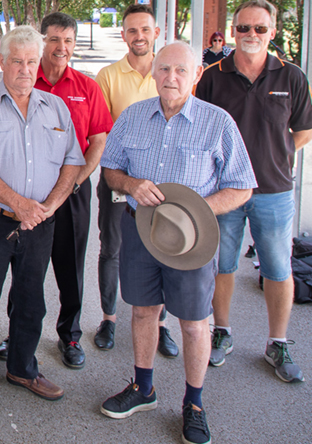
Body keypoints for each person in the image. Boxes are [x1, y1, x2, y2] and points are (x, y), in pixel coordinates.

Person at [99, 41, 256, 444]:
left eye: (181, 71)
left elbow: (241, 186)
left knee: (193, 323)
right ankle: (143, 387)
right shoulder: (133, 117)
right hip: (141, 230)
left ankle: (194, 402)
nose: (171, 78)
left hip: (193, 238)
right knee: (143, 311)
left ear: (197, 75)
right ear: (154, 72)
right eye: (165, 69)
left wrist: (197, 208)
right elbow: (111, 170)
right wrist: (131, 183)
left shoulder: (218, 122)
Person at [0, 26, 84, 417]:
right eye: (17, 61)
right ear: (2, 62)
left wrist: (48, 206)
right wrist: (20, 204)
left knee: (31, 301)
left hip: (41, 223)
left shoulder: (56, 107)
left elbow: (72, 162)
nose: (25, 69)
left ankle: (23, 369)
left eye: (32, 62)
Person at [196, 0, 312, 382]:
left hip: (274, 191)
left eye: (260, 29)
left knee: (279, 269)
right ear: (233, 31)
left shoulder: (291, 76)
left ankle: (277, 342)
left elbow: (304, 130)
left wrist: (275, 155)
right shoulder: (212, 76)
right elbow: (199, 131)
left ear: (272, 33)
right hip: (225, 192)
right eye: (244, 27)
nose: (251, 35)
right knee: (223, 265)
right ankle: (222, 333)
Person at [0, 12, 113, 369]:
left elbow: (98, 140)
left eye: (68, 40)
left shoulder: (87, 87)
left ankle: (70, 333)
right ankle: (18, 332)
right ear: (41, 41)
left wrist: (75, 183)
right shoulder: (25, 79)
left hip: (71, 192)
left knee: (70, 266)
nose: (61, 47)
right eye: (54, 40)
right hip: (27, 195)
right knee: (25, 266)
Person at [93, 4, 177, 357]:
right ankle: (109, 319)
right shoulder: (109, 76)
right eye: (131, 30)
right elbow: (104, 131)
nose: (138, 36)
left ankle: (162, 325)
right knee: (112, 249)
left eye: (145, 30)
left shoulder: (171, 72)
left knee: (168, 251)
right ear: (124, 34)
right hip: (120, 181)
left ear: (156, 33)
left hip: (168, 188)